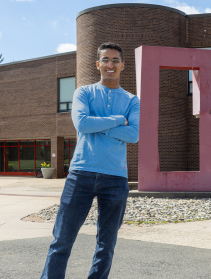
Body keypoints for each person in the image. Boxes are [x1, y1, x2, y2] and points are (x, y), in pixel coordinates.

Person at [40, 42, 140, 279]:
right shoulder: (83, 92)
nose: (110, 64)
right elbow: (82, 124)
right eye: (105, 60)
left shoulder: (132, 100)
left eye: (115, 60)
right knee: (61, 240)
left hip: (115, 177)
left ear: (123, 65)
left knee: (106, 245)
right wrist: (117, 120)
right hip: (80, 175)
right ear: (98, 64)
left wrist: (99, 125)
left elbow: (133, 134)